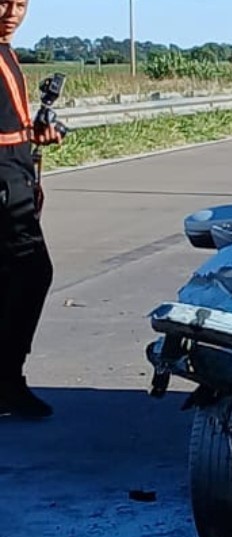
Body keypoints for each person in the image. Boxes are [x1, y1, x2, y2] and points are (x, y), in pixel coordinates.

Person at [0, 0, 63, 419]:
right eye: (4, 2)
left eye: (20, 3)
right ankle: (7, 381)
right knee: (31, 270)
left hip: (14, 175)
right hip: (5, 182)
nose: (11, 12)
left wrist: (33, 133)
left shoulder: (6, 52)